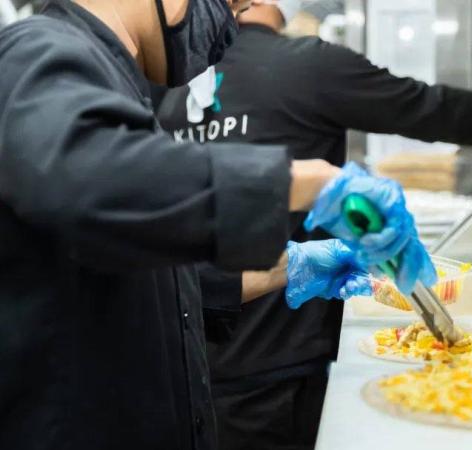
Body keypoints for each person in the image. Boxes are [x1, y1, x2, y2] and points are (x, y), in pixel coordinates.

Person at [0, 0, 434, 449]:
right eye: (229, 4)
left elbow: (141, 277)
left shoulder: (118, 80)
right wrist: (311, 183)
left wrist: (291, 266)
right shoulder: (40, 50)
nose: (227, 32)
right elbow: (87, 182)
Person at [156, 1, 472, 449]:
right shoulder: (307, 64)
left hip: (189, 342)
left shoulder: (168, 85)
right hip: (279, 349)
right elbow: (426, 106)